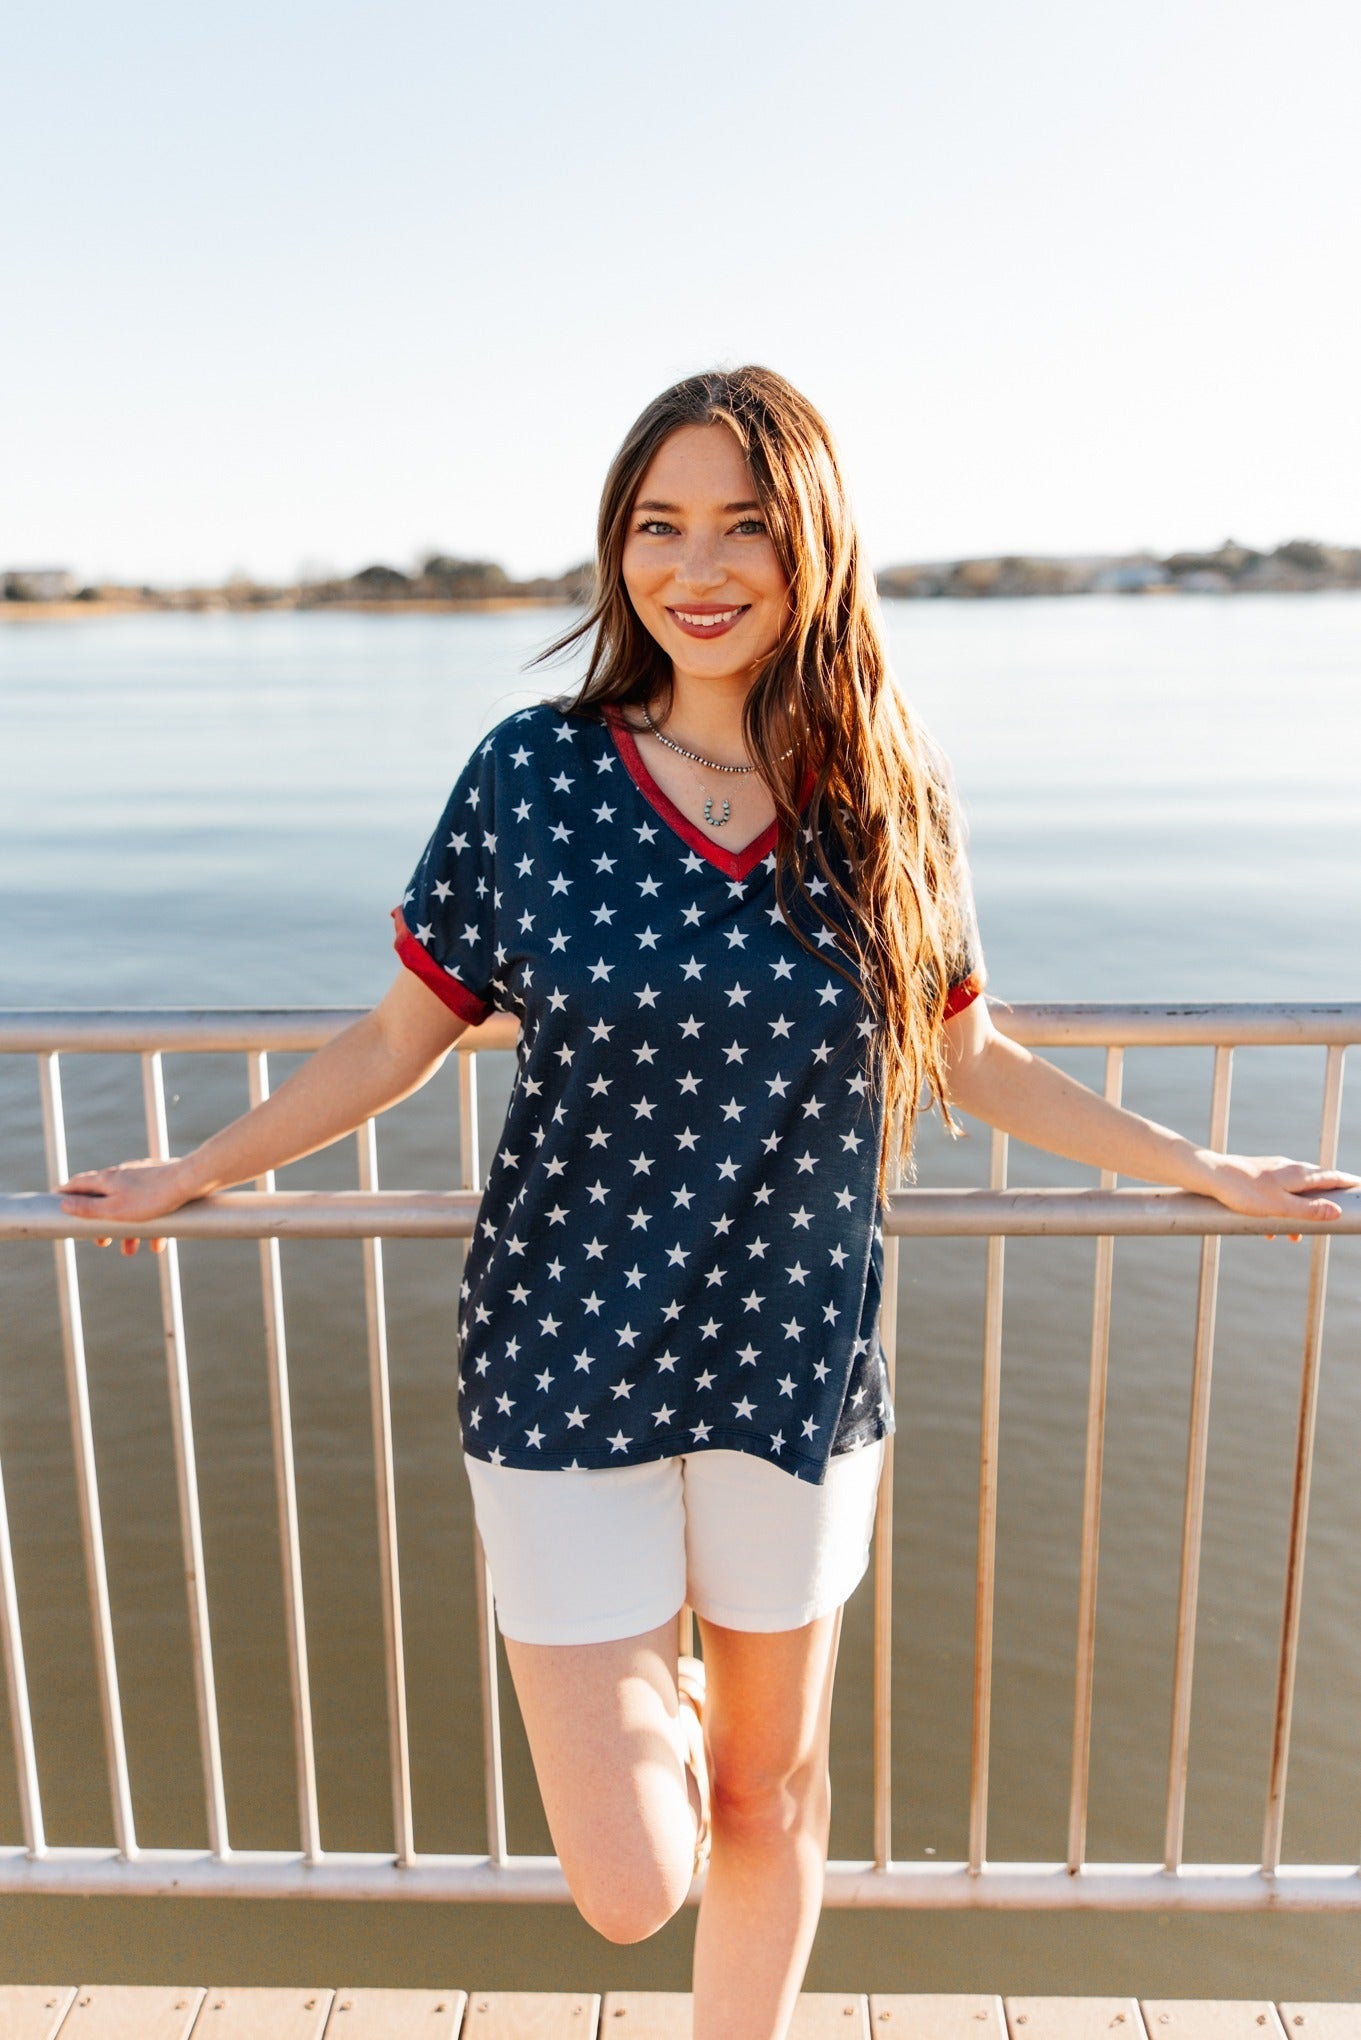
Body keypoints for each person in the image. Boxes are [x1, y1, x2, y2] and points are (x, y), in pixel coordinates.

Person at [60, 366, 1357, 2040]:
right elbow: (398, 1036)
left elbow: (972, 1061)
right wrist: (191, 1169)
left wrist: (1205, 1167)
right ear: (618, 553)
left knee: (769, 1798)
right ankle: (654, 1696)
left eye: (742, 525)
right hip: (556, 1366)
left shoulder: (880, 797)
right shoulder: (532, 776)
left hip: (792, 1367)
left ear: (809, 546)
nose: (699, 564)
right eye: (658, 525)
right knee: (631, 1879)